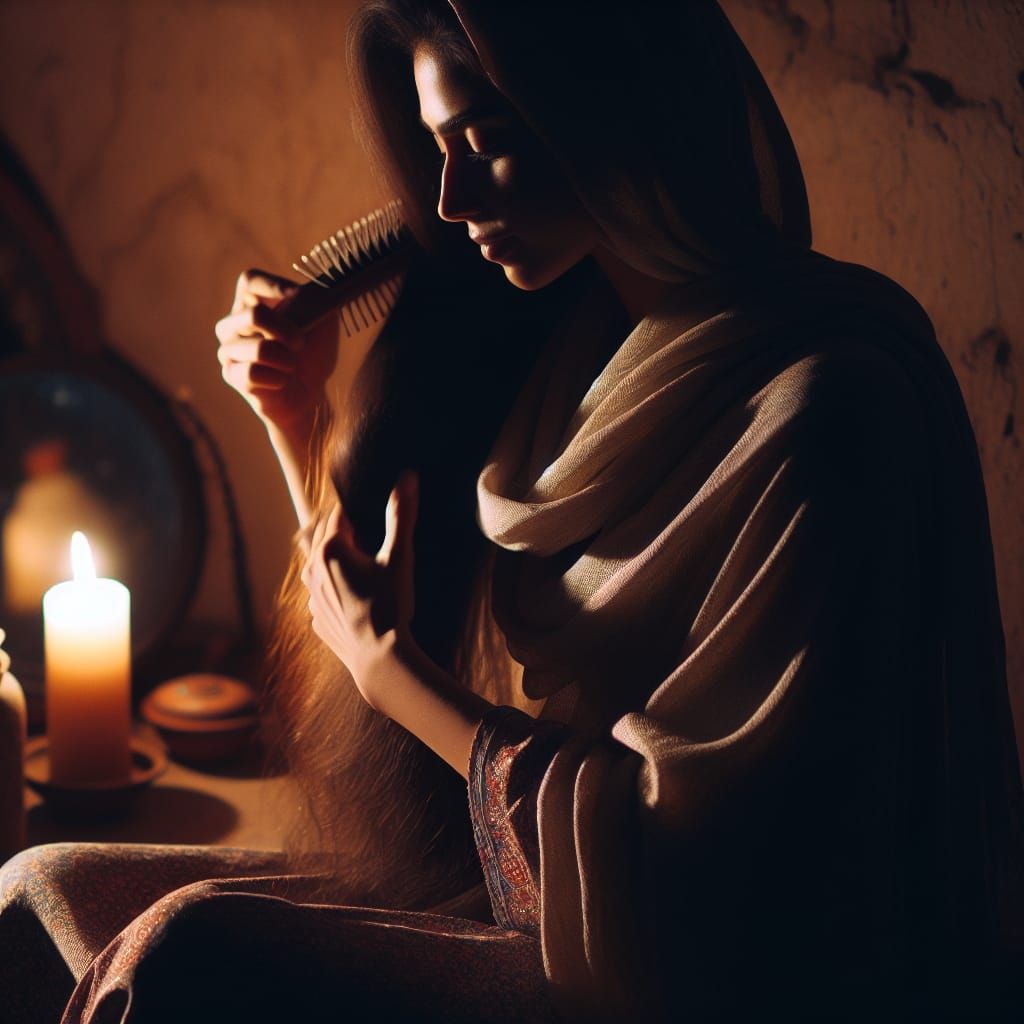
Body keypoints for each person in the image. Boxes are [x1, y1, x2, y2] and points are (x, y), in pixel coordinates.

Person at [1, 1, 1021, 1021]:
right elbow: (358, 623)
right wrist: (296, 421)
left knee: (179, 953)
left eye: (483, 145)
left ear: (615, 119)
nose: (445, 199)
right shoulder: (572, 354)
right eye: (437, 149)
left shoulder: (826, 413)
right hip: (553, 889)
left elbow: (712, 883)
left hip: (665, 955)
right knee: (39, 886)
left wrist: (391, 672)